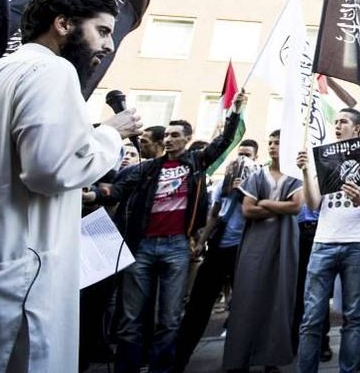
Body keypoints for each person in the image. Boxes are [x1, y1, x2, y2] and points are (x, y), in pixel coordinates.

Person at [0, 0, 141, 372]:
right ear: (62, 24)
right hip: (20, 285)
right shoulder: (53, 70)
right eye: (103, 30)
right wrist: (110, 134)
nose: (108, 46)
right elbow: (49, 169)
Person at [87, 97, 245, 373]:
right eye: (168, 135)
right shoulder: (148, 168)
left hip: (177, 247)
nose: (169, 139)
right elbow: (119, 189)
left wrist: (236, 111)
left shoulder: (197, 162)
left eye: (175, 135)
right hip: (143, 247)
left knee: (170, 319)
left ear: (187, 140)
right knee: (130, 319)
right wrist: (95, 194)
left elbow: (224, 141)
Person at [296, 108, 360, 373]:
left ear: (356, 128)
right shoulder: (325, 158)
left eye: (343, 122)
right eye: (336, 121)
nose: (337, 125)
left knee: (354, 317)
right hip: (323, 242)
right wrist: (305, 171)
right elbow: (312, 203)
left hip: (357, 244)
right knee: (311, 317)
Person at [172, 142, 260, 372]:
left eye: (247, 155)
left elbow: (258, 212)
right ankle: (179, 357)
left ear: (255, 158)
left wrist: (245, 193)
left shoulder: (259, 178)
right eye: (240, 154)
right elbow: (215, 212)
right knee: (198, 305)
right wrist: (202, 242)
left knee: (243, 306)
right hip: (220, 247)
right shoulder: (226, 180)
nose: (242, 159)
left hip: (244, 250)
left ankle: (239, 359)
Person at [223, 130, 303, 372]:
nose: (273, 146)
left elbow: (296, 206)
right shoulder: (256, 175)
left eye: (278, 142)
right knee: (248, 295)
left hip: (285, 241)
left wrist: (266, 203)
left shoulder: (295, 176)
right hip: (256, 242)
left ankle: (271, 359)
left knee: (279, 298)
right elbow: (248, 210)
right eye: (270, 142)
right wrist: (281, 207)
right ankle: (240, 358)